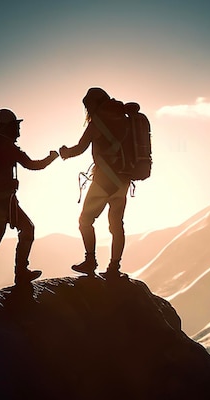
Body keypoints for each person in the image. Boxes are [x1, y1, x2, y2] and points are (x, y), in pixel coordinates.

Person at [0, 108, 59, 293]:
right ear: (8, 127)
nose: (18, 131)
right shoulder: (6, 145)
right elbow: (32, 164)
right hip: (3, 200)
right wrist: (51, 157)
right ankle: (20, 272)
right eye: (16, 126)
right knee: (25, 229)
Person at [59, 87, 131, 280]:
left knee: (85, 220)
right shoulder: (126, 120)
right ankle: (114, 267)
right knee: (117, 225)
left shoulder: (96, 123)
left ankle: (90, 260)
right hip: (123, 182)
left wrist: (64, 152)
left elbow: (80, 148)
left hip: (103, 180)